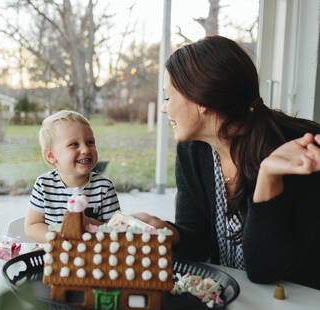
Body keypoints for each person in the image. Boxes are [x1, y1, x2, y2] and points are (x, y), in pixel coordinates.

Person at [132, 35, 320, 290]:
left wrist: (268, 176)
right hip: (235, 299)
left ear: (201, 101)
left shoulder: (299, 152)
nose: (165, 109)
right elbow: (197, 244)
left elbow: (265, 270)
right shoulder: (192, 150)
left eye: (168, 97)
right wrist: (169, 233)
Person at [25, 110, 120, 243]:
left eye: (90, 142)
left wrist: (88, 223)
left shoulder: (104, 187)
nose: (86, 150)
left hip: (93, 254)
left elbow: (115, 231)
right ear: (51, 156)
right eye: (74, 144)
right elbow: (32, 226)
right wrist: (59, 240)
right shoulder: (44, 184)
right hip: (56, 253)